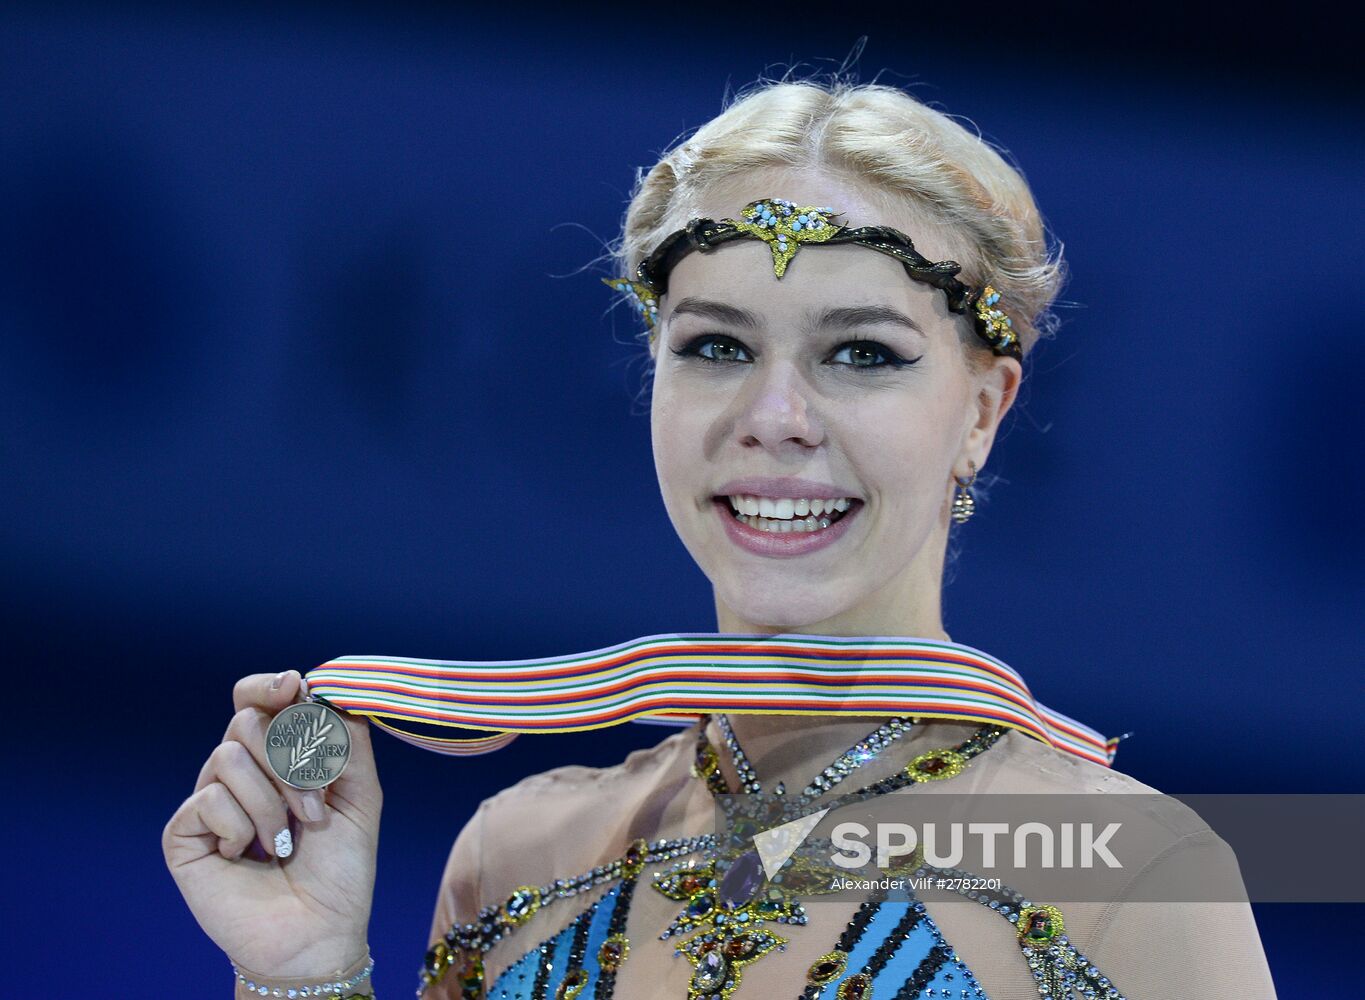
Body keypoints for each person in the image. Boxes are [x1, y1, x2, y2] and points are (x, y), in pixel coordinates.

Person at [163, 78, 1277, 1000]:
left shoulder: (1138, 877)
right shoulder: (519, 859)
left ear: (983, 409)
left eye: (863, 354)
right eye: (717, 346)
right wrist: (303, 973)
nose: (775, 415)